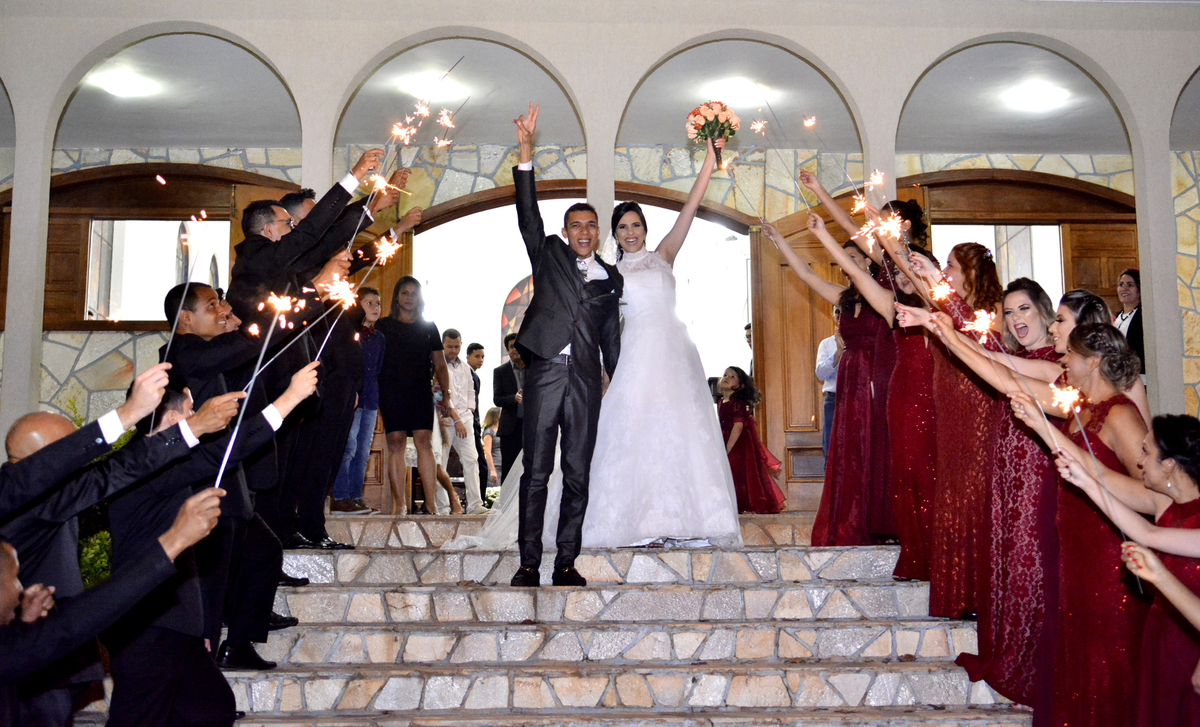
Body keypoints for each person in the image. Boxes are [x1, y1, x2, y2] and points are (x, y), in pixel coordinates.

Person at [0, 364, 231, 727]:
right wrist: (172, 542)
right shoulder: (18, 499)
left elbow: (114, 472)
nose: (78, 466)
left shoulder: (55, 495)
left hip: (36, 647)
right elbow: (79, 617)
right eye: (66, 457)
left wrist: (193, 426)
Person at [104, 363, 317, 727]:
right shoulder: (142, 464)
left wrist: (196, 628)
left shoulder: (161, 461)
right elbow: (228, 452)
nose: (196, 419)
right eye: (191, 411)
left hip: (177, 629)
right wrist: (291, 397)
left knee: (212, 708)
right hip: (147, 629)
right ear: (173, 418)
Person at [581, 136, 742, 548]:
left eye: (636, 225)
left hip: (675, 353)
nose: (630, 232)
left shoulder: (665, 255)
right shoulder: (608, 271)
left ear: (645, 229)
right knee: (635, 432)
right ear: (614, 235)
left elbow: (690, 207)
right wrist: (601, 369)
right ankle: (634, 522)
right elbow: (600, 326)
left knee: (681, 431)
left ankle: (688, 520)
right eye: (623, 227)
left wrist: (710, 160)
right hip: (634, 356)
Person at [1005, 323, 1149, 727]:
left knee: (1110, 650)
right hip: (1075, 551)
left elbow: (1151, 492)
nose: (1062, 360)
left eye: (1070, 354)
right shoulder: (1080, 411)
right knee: (1080, 648)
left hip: (1105, 552)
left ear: (1094, 362)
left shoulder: (1120, 413)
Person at [509, 103, 622, 587]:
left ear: (599, 233)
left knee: (577, 473)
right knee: (536, 472)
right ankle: (529, 562)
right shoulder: (548, 252)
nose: (583, 232)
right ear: (565, 232)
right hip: (546, 374)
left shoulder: (611, 278)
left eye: (591, 226)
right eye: (576, 225)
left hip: (584, 382)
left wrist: (619, 380)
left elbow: (611, 339)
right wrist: (526, 153)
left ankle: (566, 562)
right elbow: (528, 214)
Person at [0, 489, 225, 727]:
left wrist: (26, 624)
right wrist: (175, 540)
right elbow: (75, 620)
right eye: (14, 578)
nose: (19, 589)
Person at [1037, 414, 1200, 726]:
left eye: (1146, 452)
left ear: (1169, 464)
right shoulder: (1167, 503)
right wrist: (1084, 481)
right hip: (1162, 635)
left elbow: (1150, 536)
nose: (1139, 461)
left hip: (1190, 643)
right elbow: (1141, 528)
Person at [762, 220, 885, 545]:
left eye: (854, 259)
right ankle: (849, 521)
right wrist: (778, 240)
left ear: (870, 260)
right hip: (848, 380)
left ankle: (878, 521)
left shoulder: (886, 294)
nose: (847, 267)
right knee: (848, 452)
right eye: (843, 261)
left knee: (875, 447)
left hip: (877, 377)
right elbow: (806, 274)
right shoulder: (844, 298)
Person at [907, 242, 1005, 620]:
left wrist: (937, 286)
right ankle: (955, 591)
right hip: (948, 407)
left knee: (976, 490)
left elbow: (982, 340)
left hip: (979, 403)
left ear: (970, 271)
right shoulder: (940, 304)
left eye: (950, 266)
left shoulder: (992, 310)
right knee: (952, 490)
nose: (945, 272)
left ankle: (980, 592)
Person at [376, 277, 462, 515]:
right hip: (391, 391)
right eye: (404, 293)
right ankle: (399, 505)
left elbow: (440, 365)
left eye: (414, 293)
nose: (409, 297)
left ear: (420, 298)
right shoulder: (383, 326)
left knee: (424, 443)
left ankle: (431, 505)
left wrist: (446, 395)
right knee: (396, 444)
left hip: (420, 391)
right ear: (397, 297)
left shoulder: (429, 326)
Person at [331, 287, 385, 514]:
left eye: (378, 303)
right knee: (348, 447)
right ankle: (340, 497)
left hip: (370, 399)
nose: (375, 308)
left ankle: (356, 496)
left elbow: (378, 368)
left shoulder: (380, 338)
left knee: (363, 452)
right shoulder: (349, 333)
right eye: (369, 303)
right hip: (351, 399)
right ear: (358, 306)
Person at [717, 367, 785, 513]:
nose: (727, 377)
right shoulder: (722, 402)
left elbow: (738, 426)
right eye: (725, 375)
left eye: (732, 376)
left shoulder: (736, 403)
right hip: (726, 439)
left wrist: (727, 449)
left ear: (741, 385)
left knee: (739, 473)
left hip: (738, 444)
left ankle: (743, 504)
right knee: (727, 472)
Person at [439, 330, 487, 515]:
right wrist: (456, 418)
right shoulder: (439, 365)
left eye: (456, 346)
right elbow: (442, 394)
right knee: (440, 463)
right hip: (445, 420)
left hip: (464, 419)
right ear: (443, 345)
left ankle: (475, 504)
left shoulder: (465, 367)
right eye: (449, 346)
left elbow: (470, 392)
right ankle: (442, 507)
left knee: (471, 460)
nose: (453, 350)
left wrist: (470, 411)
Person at [493, 333, 525, 484]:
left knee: (529, 468)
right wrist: (514, 398)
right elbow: (497, 399)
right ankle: (506, 506)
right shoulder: (500, 371)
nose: (515, 349)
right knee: (508, 470)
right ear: (507, 349)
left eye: (517, 345)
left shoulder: (533, 369)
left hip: (530, 427)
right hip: (509, 429)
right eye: (511, 346)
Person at [814, 310, 841, 457]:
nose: (841, 314)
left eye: (845, 310)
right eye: (837, 311)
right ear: (833, 316)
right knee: (831, 449)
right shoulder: (826, 344)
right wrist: (838, 353)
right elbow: (820, 374)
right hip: (833, 400)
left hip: (858, 398)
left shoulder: (862, 342)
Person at [467, 343, 489, 504]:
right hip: (468, 423)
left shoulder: (475, 376)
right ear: (468, 357)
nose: (480, 360)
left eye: (482, 357)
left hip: (474, 424)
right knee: (480, 465)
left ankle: (477, 500)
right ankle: (477, 501)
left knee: (479, 464)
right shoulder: (466, 374)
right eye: (477, 356)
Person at [1115, 269, 1145, 376]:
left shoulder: (1143, 316)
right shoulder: (1117, 317)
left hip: (1138, 376)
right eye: (1121, 285)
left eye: (1130, 285)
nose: (1124, 289)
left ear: (1139, 290)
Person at [480, 408, 502, 489]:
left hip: (502, 464)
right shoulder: (489, 432)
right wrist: (492, 470)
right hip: (495, 466)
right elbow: (488, 452)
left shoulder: (501, 430)